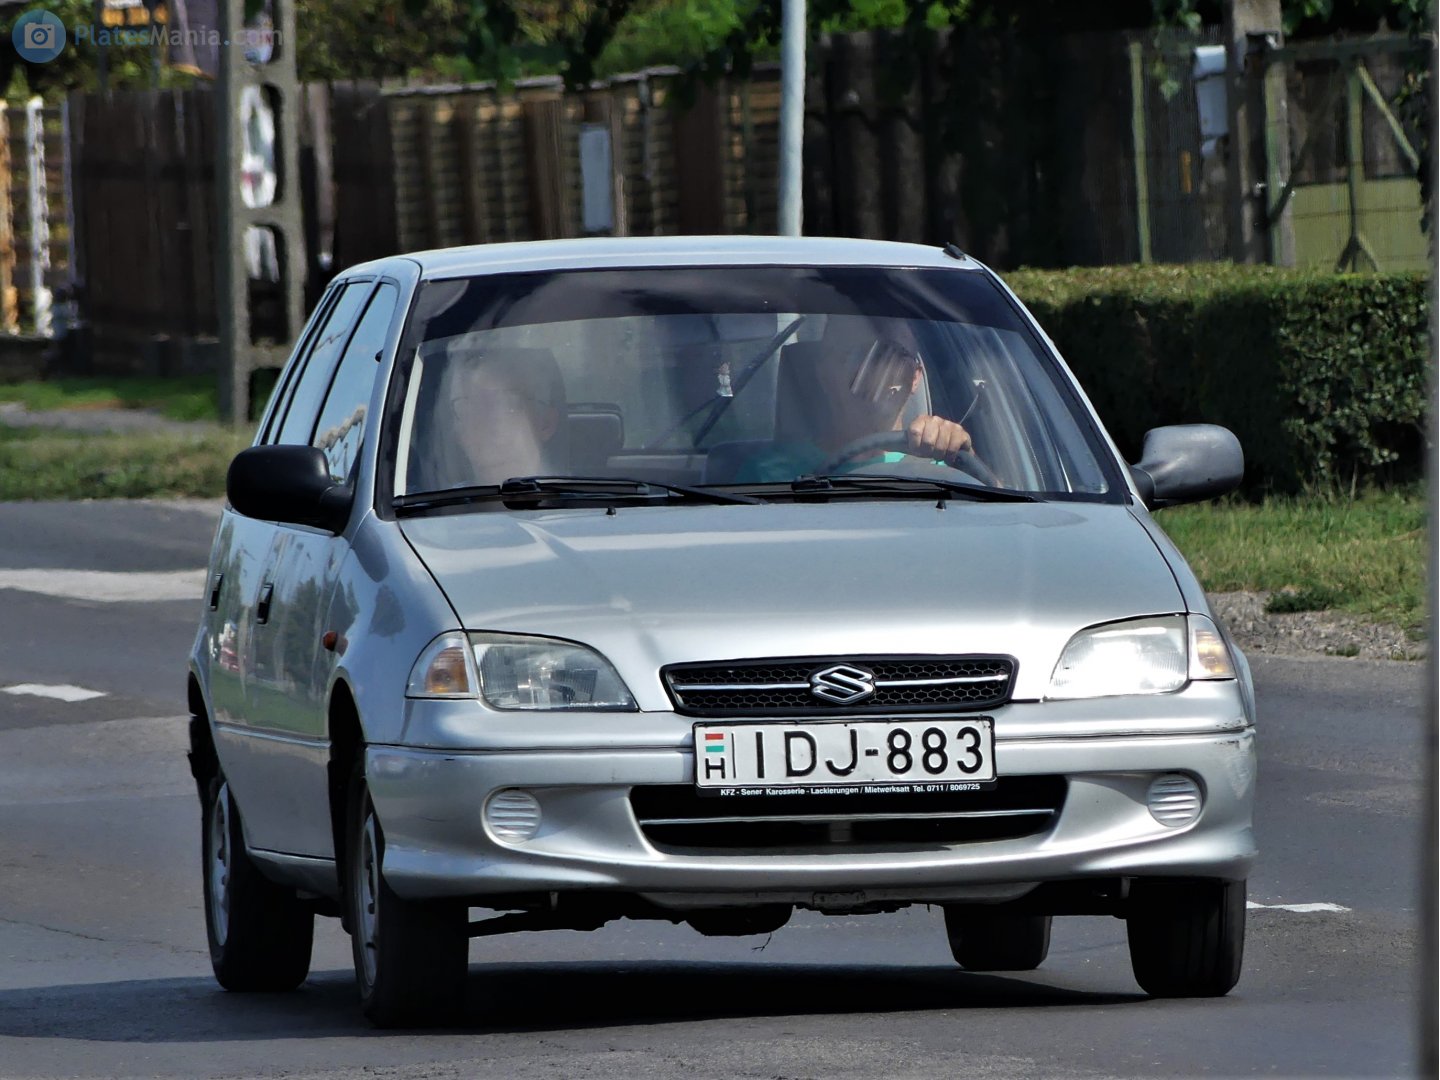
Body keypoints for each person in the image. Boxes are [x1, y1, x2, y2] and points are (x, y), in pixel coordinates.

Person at [732, 330, 974, 483]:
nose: (874, 374)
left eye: (893, 358)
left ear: (915, 378)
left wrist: (964, 455)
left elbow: (990, 513)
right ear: (824, 373)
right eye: (854, 357)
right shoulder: (768, 475)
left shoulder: (940, 466)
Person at [418, 344, 566, 489]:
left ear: (546, 423)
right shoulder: (441, 503)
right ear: (457, 431)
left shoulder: (575, 502)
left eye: (509, 404)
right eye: (467, 408)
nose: (485, 426)